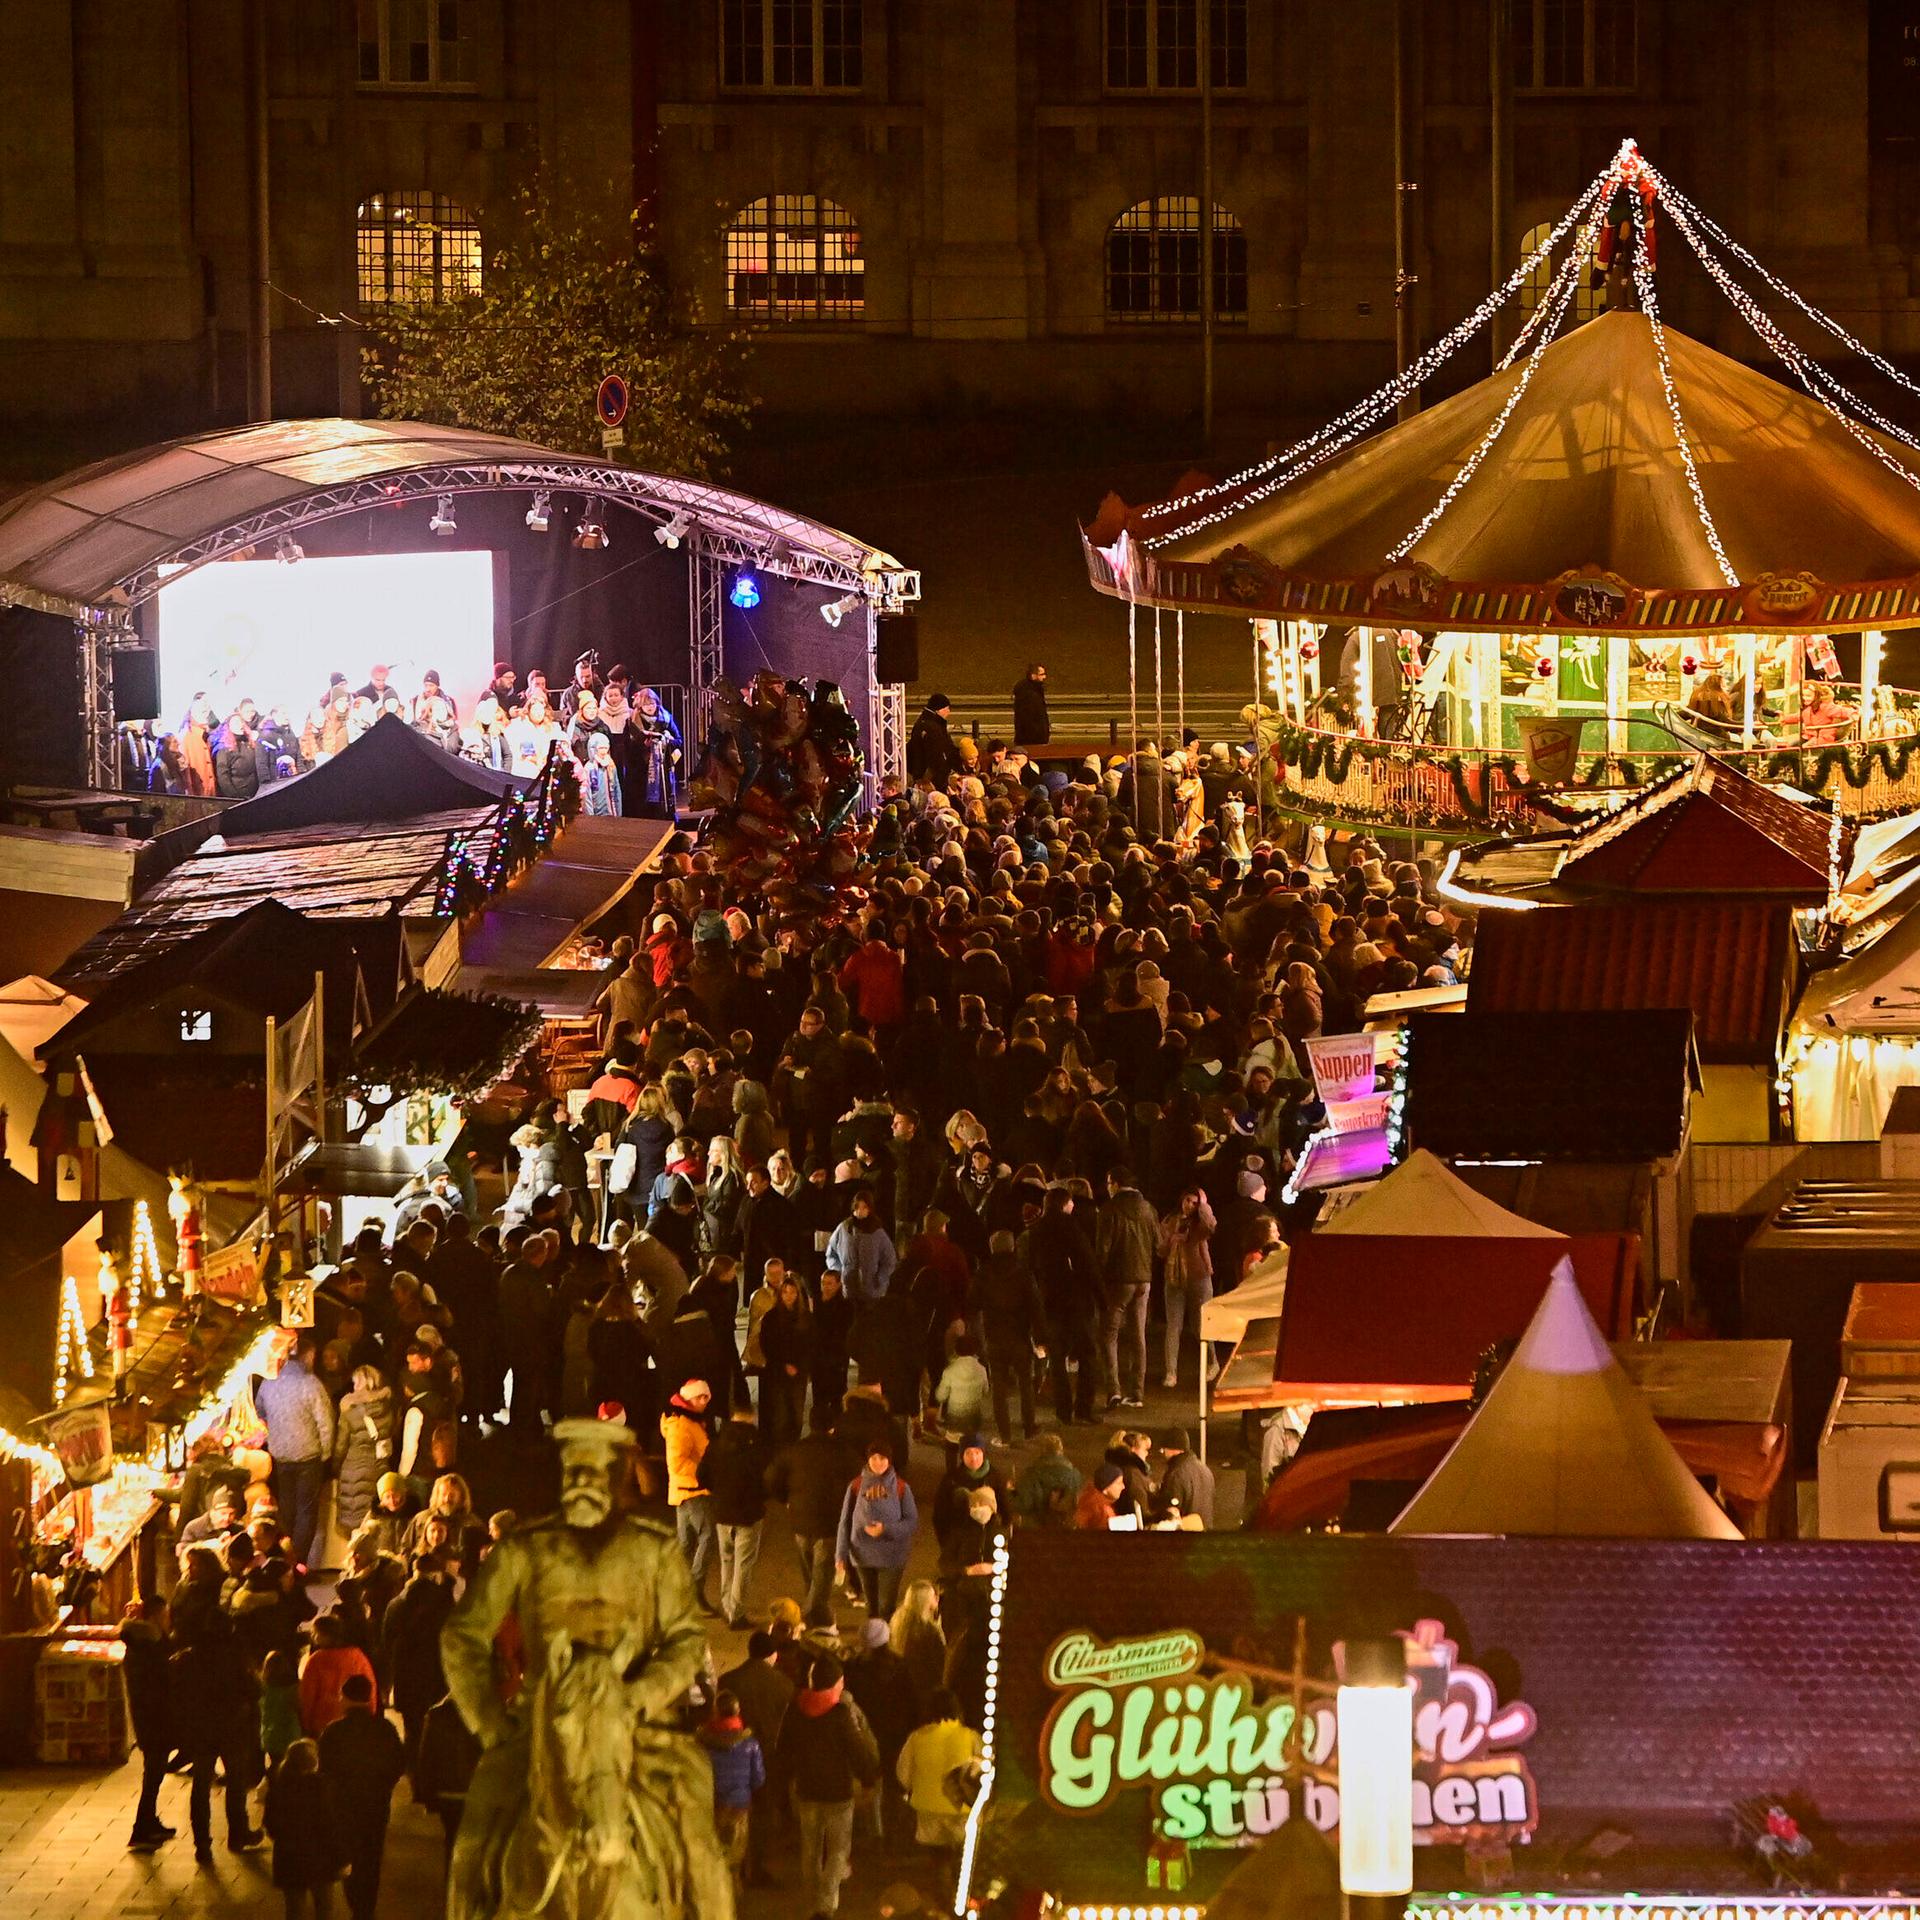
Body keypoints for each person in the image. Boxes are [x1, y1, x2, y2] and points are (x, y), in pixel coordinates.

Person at [439, 1417, 732, 1920]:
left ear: (617, 1480)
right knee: (472, 1843)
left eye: (593, 1474)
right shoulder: (523, 1550)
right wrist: (489, 1723)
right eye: (572, 1474)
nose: (581, 1485)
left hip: (638, 1722)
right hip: (542, 1722)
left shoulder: (655, 1550)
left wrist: (642, 1695)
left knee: (700, 1846)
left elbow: (686, 1638)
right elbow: (462, 1635)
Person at [777, 1650, 880, 1920]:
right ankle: (826, 1901)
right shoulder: (841, 1714)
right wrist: (869, 1778)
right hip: (838, 1794)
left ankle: (812, 1899)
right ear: (836, 1683)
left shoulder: (796, 1710)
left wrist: (784, 1779)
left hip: (806, 1790)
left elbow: (784, 1748)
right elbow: (859, 1753)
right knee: (837, 1850)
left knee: (809, 1848)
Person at [316, 1672, 404, 1920]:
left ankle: (357, 1904)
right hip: (377, 1803)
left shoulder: (334, 1732)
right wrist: (384, 1784)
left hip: (345, 1804)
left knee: (350, 1853)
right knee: (372, 1856)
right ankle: (367, 1908)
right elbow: (398, 1762)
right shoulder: (385, 1728)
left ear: (344, 1697)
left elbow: (324, 1770)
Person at [765, 1416, 856, 1629]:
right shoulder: (844, 1453)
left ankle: (814, 1615)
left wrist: (784, 1498)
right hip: (830, 1523)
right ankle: (804, 1617)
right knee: (822, 1577)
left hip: (800, 1520)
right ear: (832, 1428)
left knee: (809, 1573)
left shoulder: (795, 1450)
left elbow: (771, 1477)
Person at [255, 1330, 336, 1569]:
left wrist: (275, 1434)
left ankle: (280, 1559)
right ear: (308, 1356)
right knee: (306, 1511)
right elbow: (325, 1422)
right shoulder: (312, 1385)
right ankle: (297, 1562)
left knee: (286, 1509)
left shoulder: (269, 1382)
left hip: (280, 1455)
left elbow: (260, 1412)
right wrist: (326, 1452)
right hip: (308, 1456)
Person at [700, 1402, 770, 1629]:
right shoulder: (757, 1447)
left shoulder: (715, 1445)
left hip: (722, 1512)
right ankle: (736, 1613)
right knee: (744, 1565)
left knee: (727, 1561)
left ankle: (727, 1604)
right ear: (752, 1418)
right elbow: (766, 1480)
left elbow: (702, 1476)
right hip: (749, 1514)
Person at [1095, 1165, 1157, 1410]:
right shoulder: (1148, 1208)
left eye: (1109, 1183)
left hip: (1118, 1280)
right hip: (1144, 1278)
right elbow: (1158, 1242)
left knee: (1110, 1335)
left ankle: (1114, 1390)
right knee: (1138, 1335)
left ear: (1116, 1183)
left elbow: (1103, 1249)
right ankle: (1137, 1392)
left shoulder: (1109, 1210)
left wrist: (1099, 1276)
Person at [835, 1439, 918, 1621]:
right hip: (862, 1555)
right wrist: (840, 1555)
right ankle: (874, 1643)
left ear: (889, 1460)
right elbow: (845, 1521)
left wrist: (886, 1529)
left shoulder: (901, 1487)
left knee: (886, 1606)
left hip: (892, 1557)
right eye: (874, 1458)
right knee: (871, 1607)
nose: (878, 1462)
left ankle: (887, 1642)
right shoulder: (856, 1485)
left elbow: (912, 1522)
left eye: (882, 1458)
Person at [120, 1598, 176, 1850]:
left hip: (152, 1718)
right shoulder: (147, 1647)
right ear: (154, 1617)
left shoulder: (144, 1643)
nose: (169, 1620)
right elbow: (159, 1683)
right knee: (153, 1774)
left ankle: (149, 1821)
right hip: (154, 1718)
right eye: (165, 1616)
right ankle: (141, 1828)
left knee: (155, 1773)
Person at [896, 1687, 982, 1852]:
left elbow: (903, 1773)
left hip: (927, 1808)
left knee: (938, 1854)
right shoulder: (971, 1736)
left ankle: (941, 1873)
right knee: (964, 1854)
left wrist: (913, 1789)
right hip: (963, 1810)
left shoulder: (916, 1737)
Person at [265, 1738, 341, 1920]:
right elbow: (330, 1825)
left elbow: (271, 1825)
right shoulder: (321, 1787)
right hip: (320, 1858)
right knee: (324, 1907)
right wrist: (342, 1857)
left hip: (289, 1857)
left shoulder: (278, 1787)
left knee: (294, 1909)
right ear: (313, 1762)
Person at [697, 1687, 766, 1886]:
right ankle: (733, 1896)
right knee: (736, 1855)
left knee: (713, 1853)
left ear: (715, 1712)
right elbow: (758, 1778)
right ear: (737, 1712)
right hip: (739, 1805)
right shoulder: (750, 1743)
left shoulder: (703, 1742)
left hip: (712, 1805)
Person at [662, 1376, 718, 1612]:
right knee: (707, 1538)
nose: (704, 1400)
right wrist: (704, 1472)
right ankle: (694, 1591)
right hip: (693, 1490)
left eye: (706, 1396)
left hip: (682, 1491)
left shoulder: (685, 1422)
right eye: (699, 1397)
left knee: (685, 1545)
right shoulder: (683, 1425)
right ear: (688, 1398)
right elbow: (677, 1463)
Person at [1158, 1184, 1217, 1388]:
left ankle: (1212, 1362)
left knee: (1201, 1324)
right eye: (1187, 1201)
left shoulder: (1199, 1224)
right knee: (1173, 1326)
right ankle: (1171, 1372)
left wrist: (1204, 1206)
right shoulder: (1169, 1221)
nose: (1190, 1206)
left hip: (1199, 1277)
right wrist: (1171, 1241)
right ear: (1181, 1200)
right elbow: (1159, 1250)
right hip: (1174, 1278)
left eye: (1194, 1202)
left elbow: (1210, 1227)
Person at [331, 1363, 395, 1541]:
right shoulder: (386, 1408)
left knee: (353, 1518)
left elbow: (341, 1445)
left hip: (353, 1468)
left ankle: (354, 1555)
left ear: (359, 1382)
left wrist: (335, 1467)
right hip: (379, 1466)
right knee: (373, 1515)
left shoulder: (349, 1410)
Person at [299, 1610, 377, 1736]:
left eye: (316, 1633)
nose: (313, 1637)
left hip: (322, 1724)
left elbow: (307, 1696)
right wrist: (370, 1714)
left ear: (326, 1635)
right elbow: (370, 1687)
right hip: (355, 1723)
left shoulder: (316, 1660)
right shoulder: (357, 1656)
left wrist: (306, 1724)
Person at [825, 1185, 897, 1306]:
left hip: (872, 1291)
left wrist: (880, 1279)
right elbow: (831, 1253)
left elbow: (890, 1260)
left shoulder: (877, 1231)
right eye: (857, 1207)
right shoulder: (844, 1228)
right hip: (848, 1289)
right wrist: (839, 1272)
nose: (860, 1211)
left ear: (870, 1209)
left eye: (864, 1207)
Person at [631, 684, 684, 817]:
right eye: (646, 704)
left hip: (664, 766)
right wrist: (644, 745)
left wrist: (667, 740)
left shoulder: (666, 718)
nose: (650, 707)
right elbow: (631, 747)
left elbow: (679, 740)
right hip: (643, 769)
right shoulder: (633, 721)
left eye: (652, 703)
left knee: (665, 798)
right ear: (640, 706)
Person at [1154, 1426, 1216, 1526]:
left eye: (1164, 1449)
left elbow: (1172, 1512)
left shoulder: (1176, 1474)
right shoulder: (1205, 1470)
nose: (1163, 1453)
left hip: (1186, 1533)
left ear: (1172, 1449)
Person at [906, 693, 959, 787]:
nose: (949, 712)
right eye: (947, 708)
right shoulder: (933, 727)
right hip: (931, 778)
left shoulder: (922, 723)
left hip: (919, 773)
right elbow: (937, 755)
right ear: (940, 709)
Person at [1011, 663, 1051, 746]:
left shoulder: (1032, 691)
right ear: (1033, 676)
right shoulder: (1029, 694)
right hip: (1032, 740)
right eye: (1041, 674)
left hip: (1029, 738)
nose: (1044, 677)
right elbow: (1032, 718)